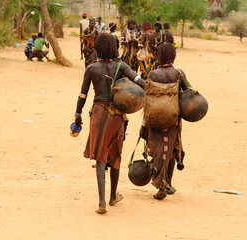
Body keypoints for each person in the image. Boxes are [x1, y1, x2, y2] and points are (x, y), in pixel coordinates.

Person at [73, 33, 145, 214]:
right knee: (115, 155)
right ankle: (113, 196)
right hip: (117, 115)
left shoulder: (91, 68)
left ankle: (102, 203)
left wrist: (77, 115)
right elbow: (140, 82)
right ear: (114, 48)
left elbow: (83, 95)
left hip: (98, 114)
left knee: (100, 157)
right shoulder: (122, 66)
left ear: (98, 47)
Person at [140, 43, 189, 200]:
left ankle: (160, 183)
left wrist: (143, 126)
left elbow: (147, 101)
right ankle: (168, 184)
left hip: (154, 120)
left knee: (158, 151)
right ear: (173, 57)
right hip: (173, 120)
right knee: (172, 151)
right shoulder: (179, 74)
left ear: (158, 56)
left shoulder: (153, 75)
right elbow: (188, 94)